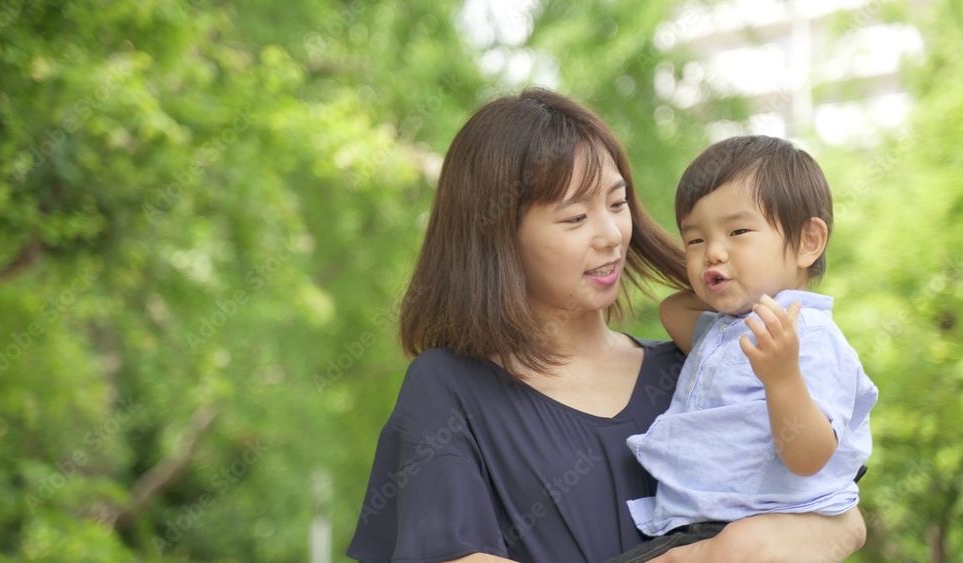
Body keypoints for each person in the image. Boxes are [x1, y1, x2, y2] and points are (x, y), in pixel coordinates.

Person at [347, 90, 866, 563]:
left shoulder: (699, 367)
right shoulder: (451, 388)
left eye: (618, 204)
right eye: (575, 218)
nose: (613, 235)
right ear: (496, 239)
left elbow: (836, 512)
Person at [609, 135, 879, 562]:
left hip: (756, 528)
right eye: (695, 240)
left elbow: (810, 457)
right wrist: (730, 286)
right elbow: (673, 308)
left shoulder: (808, 337)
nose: (713, 252)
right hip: (698, 530)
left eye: (738, 231)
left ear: (809, 241)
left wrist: (783, 378)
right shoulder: (727, 329)